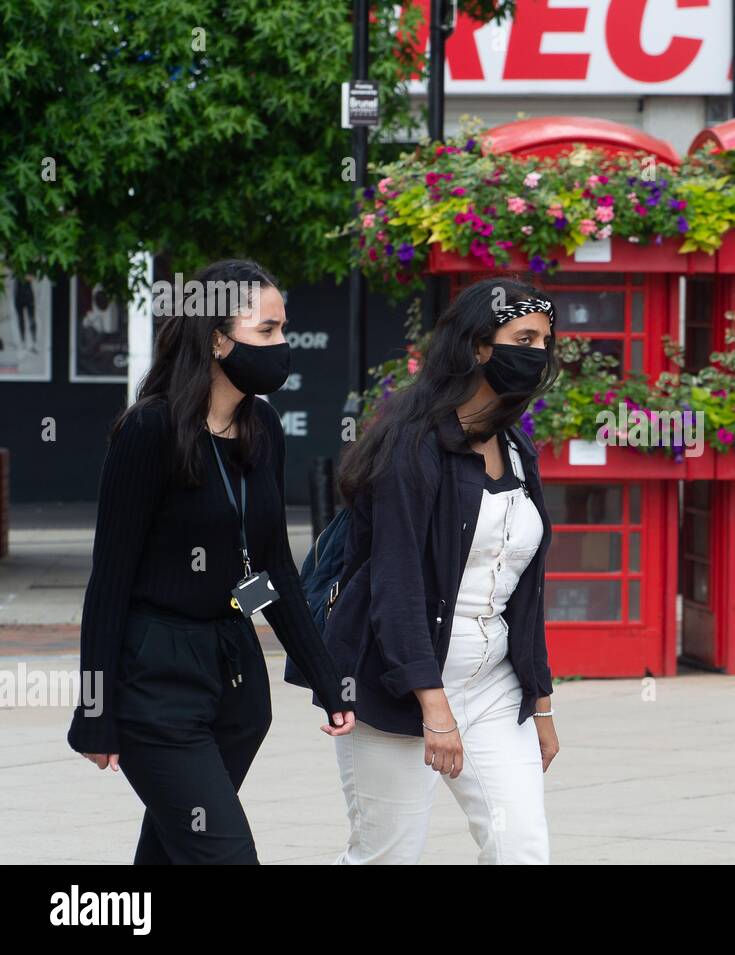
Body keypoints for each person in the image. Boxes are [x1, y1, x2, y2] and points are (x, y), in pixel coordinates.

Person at [67, 258, 355, 864]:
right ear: (218, 339)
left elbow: (272, 567)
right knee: (223, 855)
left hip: (235, 679)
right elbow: (110, 579)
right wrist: (95, 709)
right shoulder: (150, 430)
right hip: (155, 679)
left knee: (174, 849)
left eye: (284, 328)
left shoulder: (263, 426)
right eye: (267, 331)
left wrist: (326, 679)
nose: (283, 345)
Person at [324, 276, 561, 865]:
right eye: (523, 338)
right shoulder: (412, 447)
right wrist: (434, 710)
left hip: (493, 686)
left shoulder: (515, 447)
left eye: (544, 342)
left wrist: (542, 704)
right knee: (387, 855)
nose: (537, 354)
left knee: (522, 849)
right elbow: (396, 586)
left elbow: (525, 595)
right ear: (479, 346)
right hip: (400, 688)